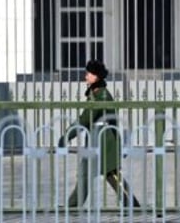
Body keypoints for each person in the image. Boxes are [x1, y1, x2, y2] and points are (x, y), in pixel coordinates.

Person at [58, 59, 140, 208]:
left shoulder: (101, 95)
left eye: (88, 74)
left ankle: (133, 206)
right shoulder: (95, 93)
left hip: (105, 145)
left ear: (96, 76)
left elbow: (85, 118)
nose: (86, 76)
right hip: (95, 144)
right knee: (84, 175)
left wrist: (67, 135)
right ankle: (73, 205)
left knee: (114, 177)